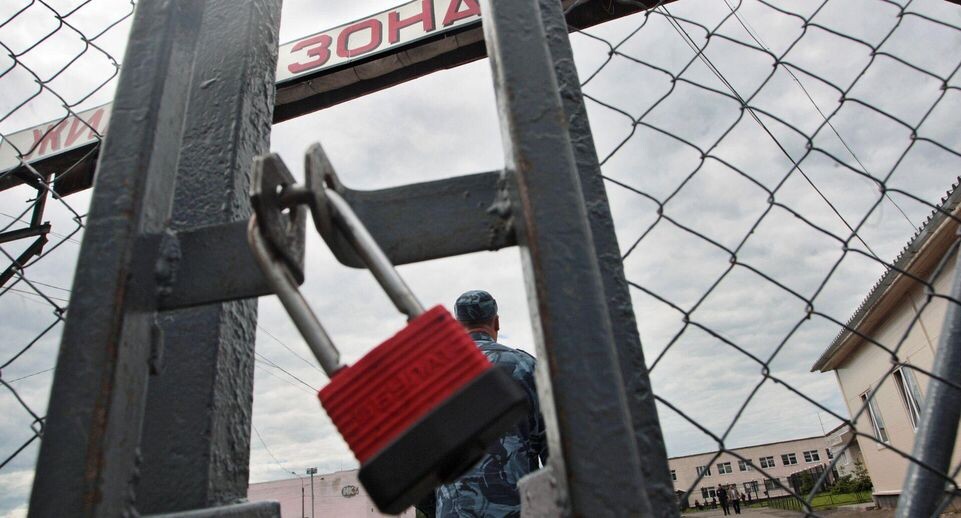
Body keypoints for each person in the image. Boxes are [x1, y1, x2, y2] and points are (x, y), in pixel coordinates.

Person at [429, 290, 547, 517]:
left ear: (457, 325)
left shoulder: (434, 377)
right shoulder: (526, 367)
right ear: (496, 322)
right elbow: (553, 450)